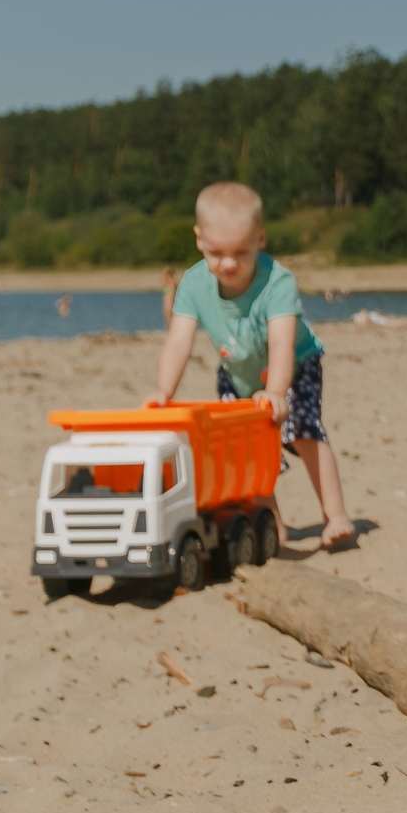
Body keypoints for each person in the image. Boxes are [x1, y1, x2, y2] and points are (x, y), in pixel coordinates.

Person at [151, 182, 358, 547]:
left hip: (295, 366)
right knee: (247, 450)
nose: (228, 263)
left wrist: (277, 391)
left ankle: (335, 514)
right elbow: (179, 341)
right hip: (237, 374)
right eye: (216, 253)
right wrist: (163, 392)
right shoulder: (194, 284)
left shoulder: (277, 281)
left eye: (240, 253)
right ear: (199, 239)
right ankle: (272, 526)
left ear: (260, 239)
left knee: (305, 431)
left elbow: (282, 341)